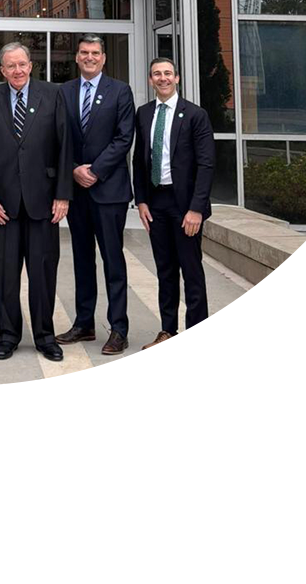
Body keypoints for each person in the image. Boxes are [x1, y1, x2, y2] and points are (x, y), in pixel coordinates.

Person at [0, 41, 72, 361]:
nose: (17, 70)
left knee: (43, 273)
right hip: (3, 206)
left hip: (44, 203)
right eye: (10, 66)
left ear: (31, 65)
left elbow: (65, 147)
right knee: (5, 274)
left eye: (22, 64)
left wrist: (62, 195)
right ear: (2, 70)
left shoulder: (52, 95)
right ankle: (8, 335)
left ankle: (44, 336)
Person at [55, 35, 137, 355]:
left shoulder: (120, 91)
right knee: (82, 260)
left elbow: (123, 137)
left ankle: (118, 328)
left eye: (95, 53)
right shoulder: (65, 92)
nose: (89, 57)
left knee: (113, 261)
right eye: (84, 53)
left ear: (103, 58)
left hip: (109, 191)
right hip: (77, 191)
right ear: (77, 57)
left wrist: (95, 170)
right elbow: (58, 138)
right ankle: (84, 324)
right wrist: (75, 168)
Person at [132, 56, 216, 346]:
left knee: (191, 270)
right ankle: (167, 331)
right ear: (150, 80)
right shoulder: (143, 113)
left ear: (177, 78)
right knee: (165, 271)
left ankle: (196, 334)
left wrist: (196, 209)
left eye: (168, 73)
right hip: (156, 204)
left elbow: (206, 165)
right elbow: (139, 160)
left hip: (185, 206)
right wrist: (141, 200)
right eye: (157, 74)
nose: (163, 78)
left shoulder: (195, 114)